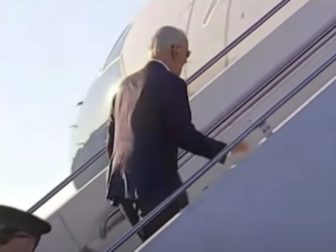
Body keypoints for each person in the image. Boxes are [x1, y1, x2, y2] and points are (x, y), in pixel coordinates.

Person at [106, 26, 248, 241]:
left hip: (123, 190)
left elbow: (112, 145)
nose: (185, 62)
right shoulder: (170, 83)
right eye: (187, 54)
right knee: (182, 241)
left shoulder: (122, 88)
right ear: (176, 50)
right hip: (157, 187)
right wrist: (227, 151)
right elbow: (184, 136)